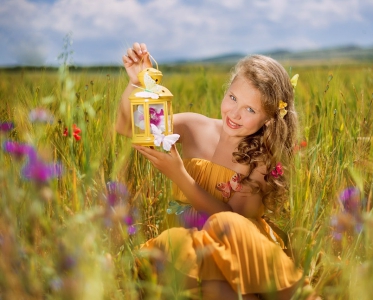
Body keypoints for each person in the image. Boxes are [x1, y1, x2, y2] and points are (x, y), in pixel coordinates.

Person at [116, 42, 304, 299]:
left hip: (235, 245)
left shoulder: (262, 157)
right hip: (186, 240)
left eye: (250, 109)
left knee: (226, 280)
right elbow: (129, 129)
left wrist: (179, 175)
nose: (234, 113)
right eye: (233, 98)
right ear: (227, 91)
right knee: (178, 261)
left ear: (269, 118)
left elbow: (230, 219)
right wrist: (139, 83)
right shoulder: (195, 127)